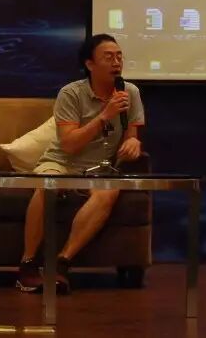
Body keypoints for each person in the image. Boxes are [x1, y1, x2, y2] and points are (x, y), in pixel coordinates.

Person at [15, 33, 144, 294]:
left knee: (109, 192)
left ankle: (62, 264)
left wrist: (133, 144)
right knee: (47, 185)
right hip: (61, 162)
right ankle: (27, 265)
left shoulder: (130, 92)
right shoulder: (71, 93)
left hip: (100, 168)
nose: (116, 62)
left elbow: (131, 136)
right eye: (108, 57)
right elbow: (69, 145)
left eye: (119, 56)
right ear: (90, 64)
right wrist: (104, 115)